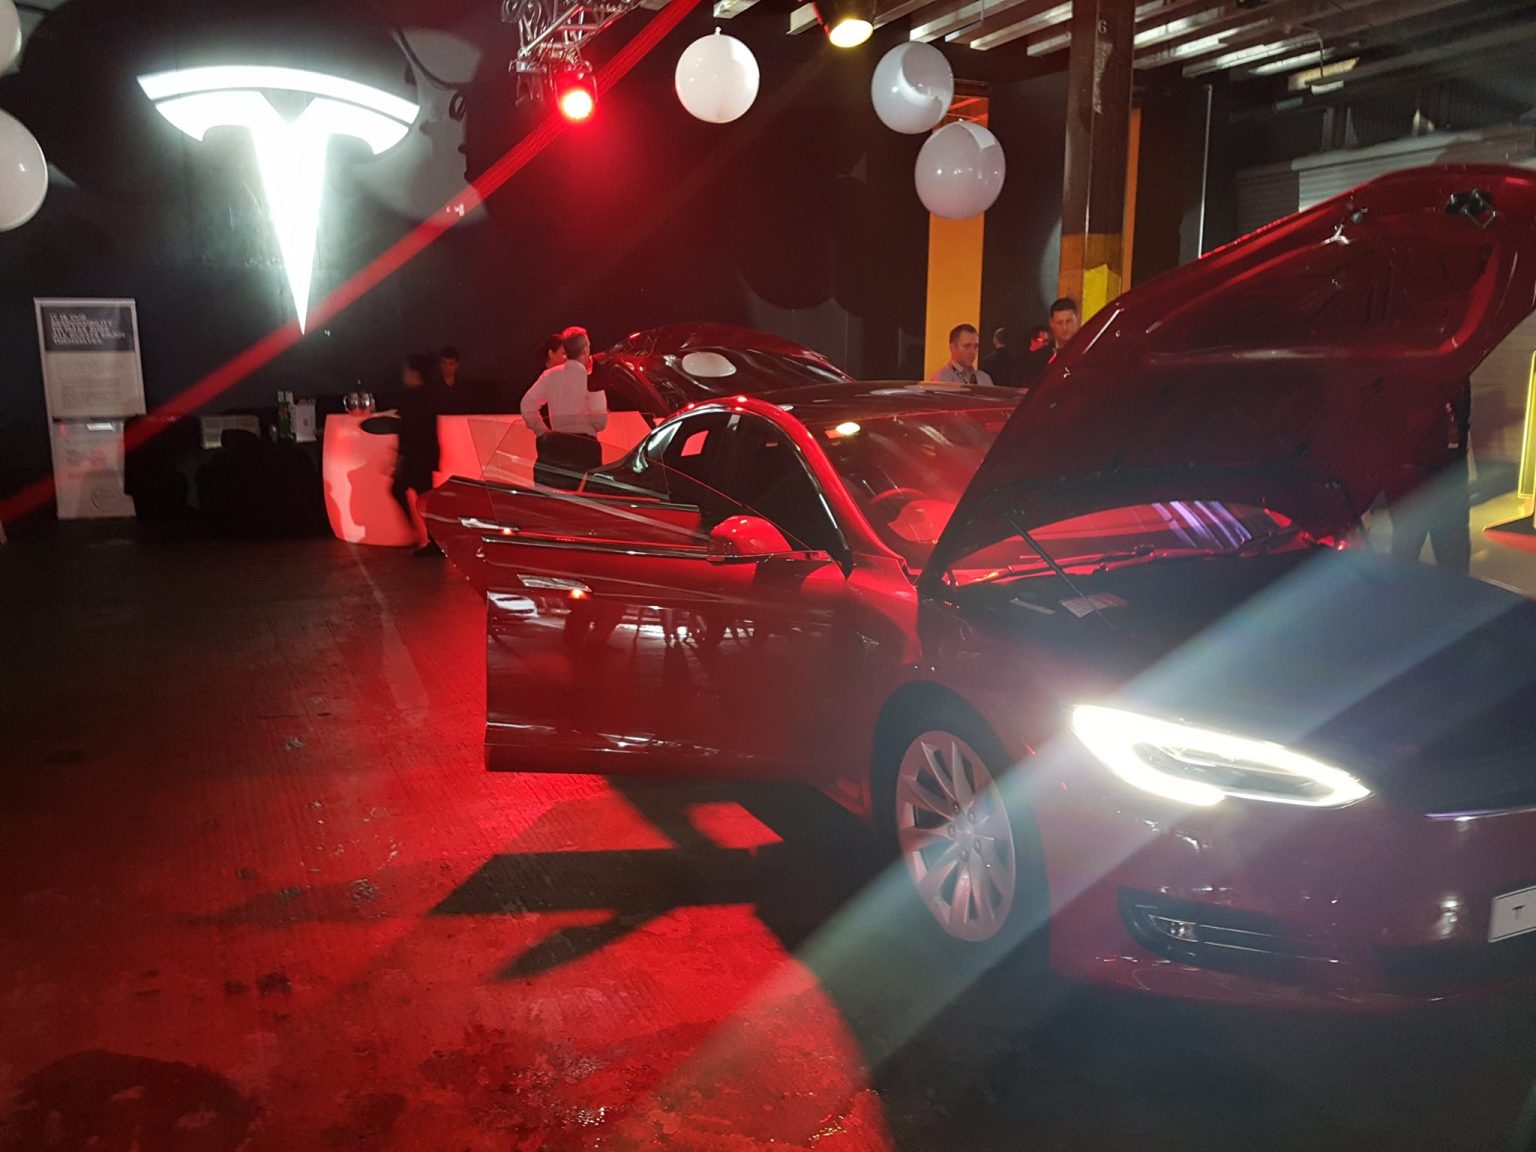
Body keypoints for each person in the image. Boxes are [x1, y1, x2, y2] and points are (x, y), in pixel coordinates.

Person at [1388, 378, 1472, 576]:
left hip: (1444, 472)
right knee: (1408, 551)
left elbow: (1460, 418)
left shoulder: (1455, 374)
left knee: (1451, 555)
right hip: (1417, 473)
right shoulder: (1407, 376)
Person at [520, 326, 608, 490]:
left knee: (557, 498)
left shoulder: (550, 375)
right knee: (587, 500)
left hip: (556, 445)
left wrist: (542, 431)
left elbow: (527, 406)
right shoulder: (590, 378)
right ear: (584, 350)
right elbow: (600, 421)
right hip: (586, 449)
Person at [392, 353, 443, 556]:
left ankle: (424, 537)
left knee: (404, 491)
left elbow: (409, 431)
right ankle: (432, 540)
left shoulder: (412, 399)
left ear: (414, 373)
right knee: (423, 498)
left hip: (415, 457)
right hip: (424, 456)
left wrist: (401, 456)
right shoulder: (426, 396)